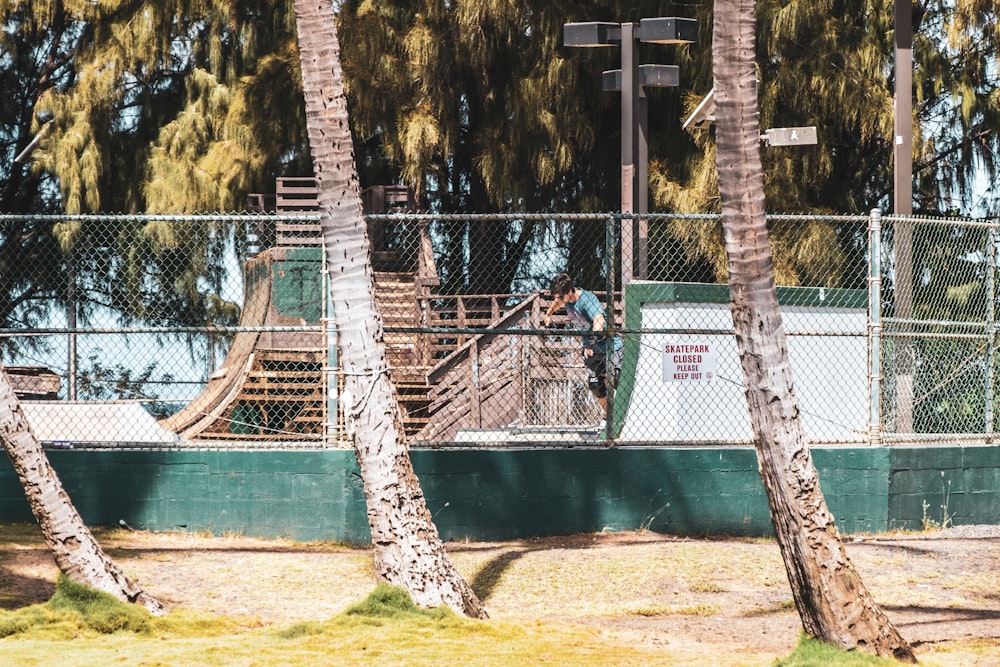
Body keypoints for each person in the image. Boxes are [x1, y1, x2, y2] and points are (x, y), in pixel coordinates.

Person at [543, 273, 623, 415]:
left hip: (608, 345)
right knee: (595, 385)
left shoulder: (587, 300)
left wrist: (590, 343)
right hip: (591, 349)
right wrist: (548, 314)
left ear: (570, 291)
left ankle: (623, 412)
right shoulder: (565, 299)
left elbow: (599, 320)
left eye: (561, 297)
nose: (559, 301)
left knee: (617, 378)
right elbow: (558, 302)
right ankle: (609, 415)